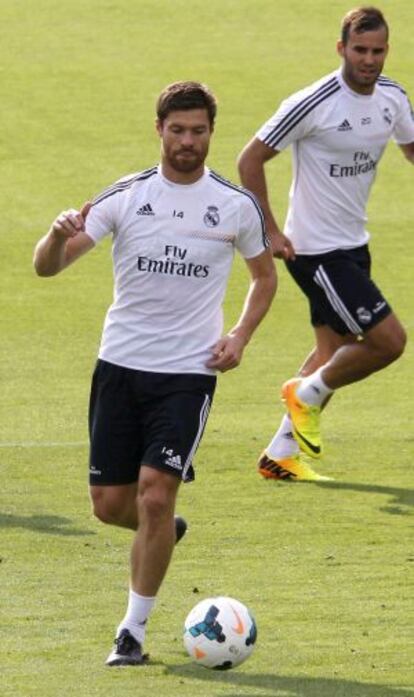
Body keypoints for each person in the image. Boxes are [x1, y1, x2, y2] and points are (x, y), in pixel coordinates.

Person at [33, 81, 276, 665]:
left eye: (198, 131)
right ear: (159, 130)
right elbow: (48, 268)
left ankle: (131, 634)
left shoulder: (234, 205)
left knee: (155, 494)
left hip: (187, 375)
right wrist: (54, 235)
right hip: (119, 365)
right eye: (177, 130)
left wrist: (239, 336)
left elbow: (264, 278)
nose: (187, 142)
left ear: (210, 134)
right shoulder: (127, 196)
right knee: (110, 505)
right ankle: (162, 531)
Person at [238, 7, 414, 482]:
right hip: (314, 251)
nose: (369, 60)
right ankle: (305, 394)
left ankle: (280, 455)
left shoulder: (393, 98)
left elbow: (412, 148)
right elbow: (250, 160)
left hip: (354, 243)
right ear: (341, 49)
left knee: (331, 351)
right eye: (360, 50)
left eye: (377, 51)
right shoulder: (313, 102)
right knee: (388, 342)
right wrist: (270, 231)